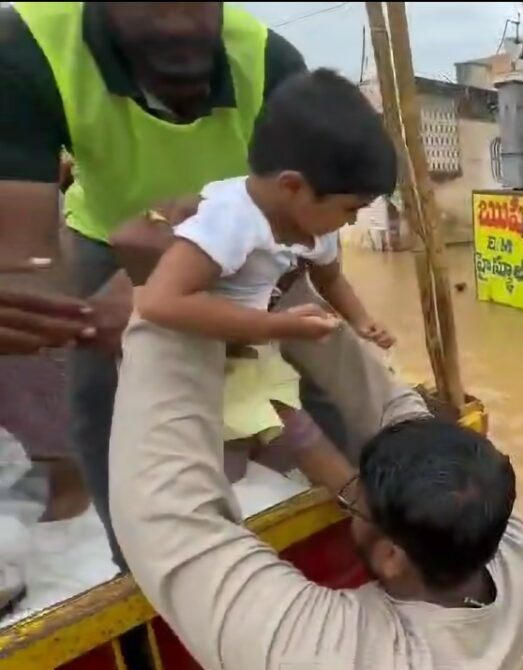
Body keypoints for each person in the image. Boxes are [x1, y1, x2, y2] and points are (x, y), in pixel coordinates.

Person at [0, 2, 389, 570]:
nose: (179, 20)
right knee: (101, 403)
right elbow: (26, 264)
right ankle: (140, 563)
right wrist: (76, 315)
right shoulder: (26, 43)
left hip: (253, 238)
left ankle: (363, 516)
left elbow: (322, 270)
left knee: (322, 377)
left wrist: (337, 318)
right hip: (114, 235)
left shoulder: (269, 62)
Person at [109, 316, 523, 669]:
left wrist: (171, 317)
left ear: (392, 556)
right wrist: (299, 301)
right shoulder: (512, 551)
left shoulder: (341, 654)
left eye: (360, 504)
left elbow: (165, 517)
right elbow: (399, 407)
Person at [137, 68, 396, 475]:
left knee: (284, 414)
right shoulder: (231, 220)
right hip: (194, 340)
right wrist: (276, 327)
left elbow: (330, 278)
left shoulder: (316, 224)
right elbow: (158, 302)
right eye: (351, 209)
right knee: (244, 435)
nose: (351, 221)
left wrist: (362, 321)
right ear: (293, 187)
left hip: (252, 337)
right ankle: (349, 497)